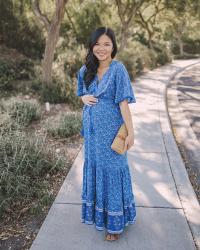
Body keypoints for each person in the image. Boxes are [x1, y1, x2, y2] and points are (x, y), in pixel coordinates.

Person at [76, 26, 137, 241]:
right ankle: (97, 215)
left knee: (113, 170)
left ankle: (115, 224)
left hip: (112, 131)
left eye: (107, 44)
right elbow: (81, 93)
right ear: (91, 46)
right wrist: (83, 98)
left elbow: (123, 103)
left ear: (113, 47)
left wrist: (131, 132)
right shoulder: (85, 70)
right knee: (95, 168)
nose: (101, 48)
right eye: (97, 44)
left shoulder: (118, 69)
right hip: (92, 132)